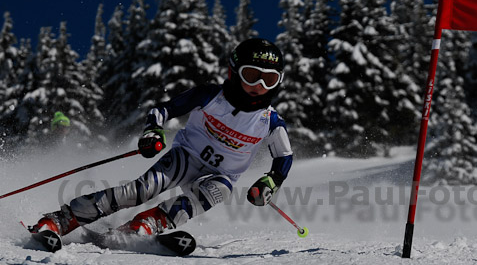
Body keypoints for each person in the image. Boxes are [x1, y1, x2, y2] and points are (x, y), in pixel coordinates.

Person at [29, 38, 293, 237]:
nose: (260, 85)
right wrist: (153, 131)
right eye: (252, 75)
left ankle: (146, 224)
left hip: (221, 174)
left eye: (270, 79)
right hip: (186, 157)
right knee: (141, 190)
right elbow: (163, 110)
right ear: (233, 72)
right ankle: (63, 219)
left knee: (219, 191)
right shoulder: (210, 96)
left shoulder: (269, 121)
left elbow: (284, 156)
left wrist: (271, 181)